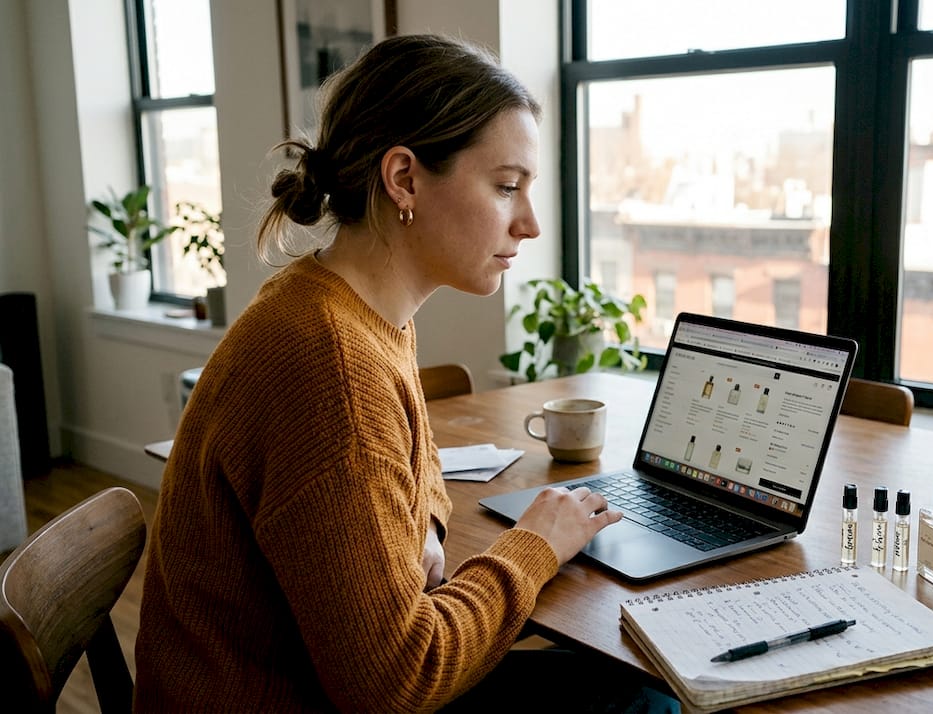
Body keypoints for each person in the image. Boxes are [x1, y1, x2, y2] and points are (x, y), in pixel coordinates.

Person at [134, 34, 669, 712]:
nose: (530, 224)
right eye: (507, 187)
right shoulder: (329, 362)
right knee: (644, 699)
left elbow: (424, 475)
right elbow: (396, 682)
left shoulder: (350, 309)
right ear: (404, 178)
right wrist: (532, 547)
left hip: (321, 682)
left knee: (621, 684)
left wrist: (426, 532)